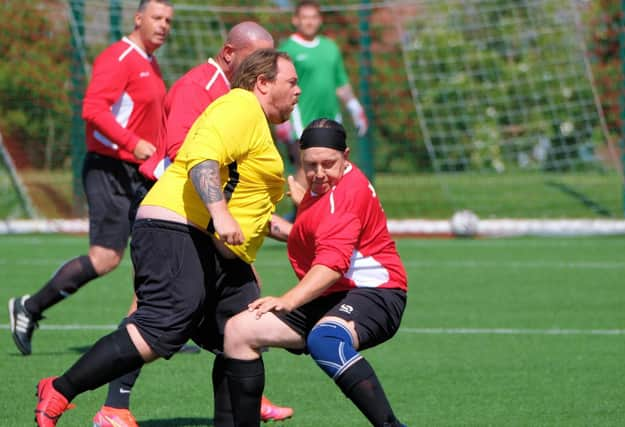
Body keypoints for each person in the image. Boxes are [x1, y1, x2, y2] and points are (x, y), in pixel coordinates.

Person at [33, 48, 301, 427]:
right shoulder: (240, 106)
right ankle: (60, 389)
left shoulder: (255, 124)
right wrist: (220, 213)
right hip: (175, 226)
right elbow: (203, 160)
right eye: (291, 82)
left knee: (241, 333)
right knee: (162, 326)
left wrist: (308, 235)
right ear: (262, 83)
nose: (298, 91)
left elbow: (253, 215)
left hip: (213, 243)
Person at [8, 0, 173, 355]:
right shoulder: (118, 57)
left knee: (155, 246)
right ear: (138, 18)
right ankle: (30, 307)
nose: (164, 25)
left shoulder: (150, 62)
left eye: (169, 21)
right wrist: (132, 143)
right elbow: (92, 109)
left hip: (141, 171)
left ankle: (146, 332)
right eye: (157, 18)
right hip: (109, 168)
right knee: (106, 258)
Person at [222, 118, 408, 427]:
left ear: (346, 156)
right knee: (240, 332)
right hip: (334, 293)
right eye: (311, 165)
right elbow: (311, 232)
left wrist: (289, 300)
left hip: (378, 292)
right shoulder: (322, 189)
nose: (319, 173)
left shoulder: (345, 197)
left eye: (328, 164)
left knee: (325, 339)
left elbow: (332, 266)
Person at [275, 0, 368, 189]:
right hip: (300, 121)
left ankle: (327, 215)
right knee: (304, 170)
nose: (309, 22)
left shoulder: (330, 47)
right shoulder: (287, 49)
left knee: (332, 170)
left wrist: (355, 107)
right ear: (296, 20)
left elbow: (341, 84)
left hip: (330, 120)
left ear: (320, 20)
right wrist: (281, 120)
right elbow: (278, 86)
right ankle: (301, 217)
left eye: (313, 17)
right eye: (305, 18)